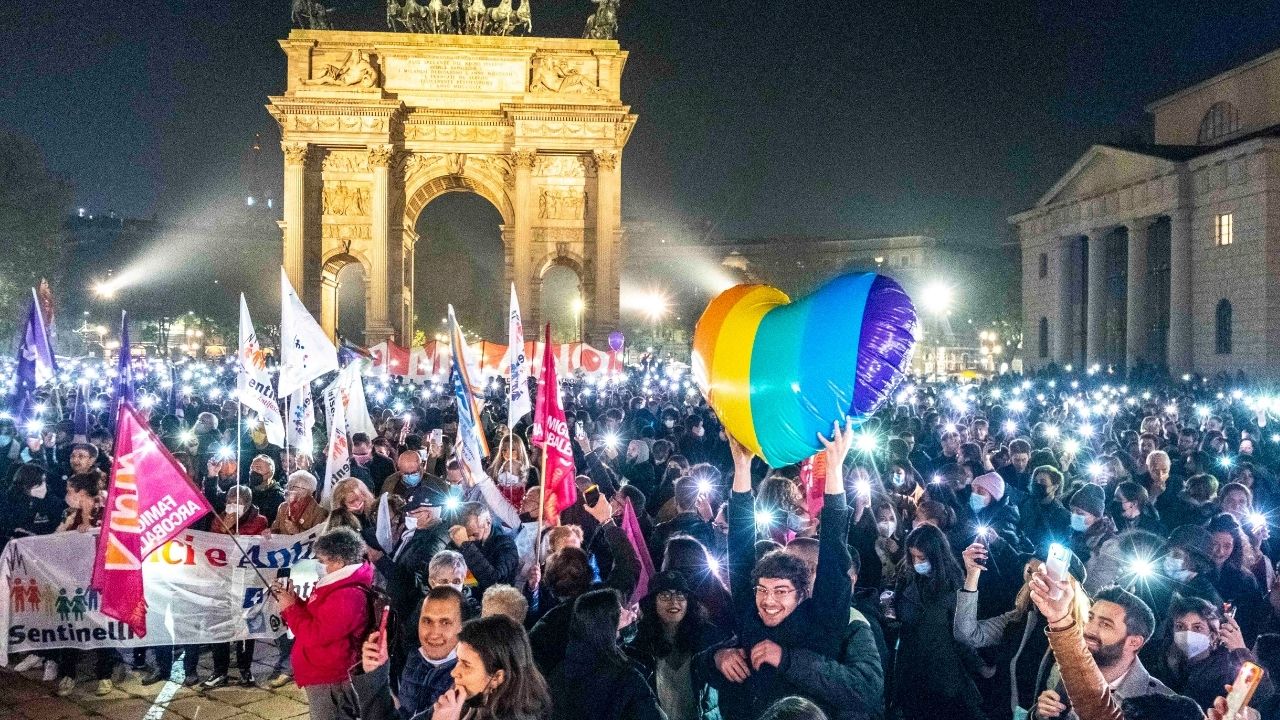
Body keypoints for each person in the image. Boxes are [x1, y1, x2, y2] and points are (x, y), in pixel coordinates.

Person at [696, 422, 858, 720]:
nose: (768, 601)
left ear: (801, 594)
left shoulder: (822, 622)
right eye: (762, 590)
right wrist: (742, 467)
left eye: (781, 591)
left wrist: (834, 470)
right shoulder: (750, 615)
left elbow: (835, 553)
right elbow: (741, 546)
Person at [954, 542, 1089, 720]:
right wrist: (972, 575)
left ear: (1066, 584)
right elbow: (967, 633)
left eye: (1043, 573)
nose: (1034, 579)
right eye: (1030, 571)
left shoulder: (1078, 637)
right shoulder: (1019, 620)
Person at [353, 614, 552, 720]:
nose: (454, 672)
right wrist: (376, 674)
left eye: (466, 664)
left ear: (498, 677)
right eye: (458, 660)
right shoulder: (463, 702)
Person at [274, 527, 374, 720]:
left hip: (330, 676)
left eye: (323, 561)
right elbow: (317, 616)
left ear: (339, 561)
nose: (320, 565)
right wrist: (294, 601)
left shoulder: (347, 595)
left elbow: (316, 635)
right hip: (322, 671)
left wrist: (290, 609)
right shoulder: (338, 583)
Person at [1032, 584, 1173, 720]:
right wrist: (1039, 715)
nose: (1088, 630)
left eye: (1106, 624)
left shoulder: (1162, 705)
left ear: (1134, 642)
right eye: (1090, 618)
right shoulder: (1060, 671)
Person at [892, 524, 984, 720]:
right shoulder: (907, 579)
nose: (917, 562)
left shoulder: (953, 587)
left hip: (942, 674)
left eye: (922, 558)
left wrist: (979, 665)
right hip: (910, 669)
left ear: (936, 556)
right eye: (913, 557)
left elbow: (962, 635)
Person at [547, 588, 664, 720]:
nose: (631, 615)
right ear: (606, 626)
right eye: (620, 612)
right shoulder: (627, 679)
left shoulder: (558, 674)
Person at [629, 570, 728, 720]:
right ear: (652, 602)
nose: (674, 601)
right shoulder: (638, 645)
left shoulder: (709, 637)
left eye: (680, 595)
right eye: (665, 595)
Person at [52, 472, 117, 697]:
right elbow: (52, 543)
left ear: (81, 493)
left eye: (70, 491)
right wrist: (68, 524)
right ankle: (68, 674)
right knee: (72, 627)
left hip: (99, 583)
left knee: (102, 628)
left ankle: (104, 675)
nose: (67, 495)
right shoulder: (69, 514)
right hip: (73, 581)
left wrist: (89, 524)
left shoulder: (105, 514)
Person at [1150, 595, 1274, 712]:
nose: (1187, 634)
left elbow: (1263, 694)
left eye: (1197, 628)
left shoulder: (1227, 668)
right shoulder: (1158, 654)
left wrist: (1240, 651)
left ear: (1213, 635)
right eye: (1180, 626)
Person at [449, 503, 519, 594]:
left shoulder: (506, 544)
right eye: (466, 535)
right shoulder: (463, 540)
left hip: (497, 602)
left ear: (488, 522)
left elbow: (495, 582)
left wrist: (466, 546)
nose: (470, 539)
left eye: (474, 534)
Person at [272, 470, 327, 535]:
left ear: (310, 491)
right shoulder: (283, 506)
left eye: (303, 488)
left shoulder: (319, 511)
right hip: (282, 544)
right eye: (296, 487)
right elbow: (274, 529)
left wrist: (298, 531)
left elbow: (317, 536)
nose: (299, 491)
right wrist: (269, 534)